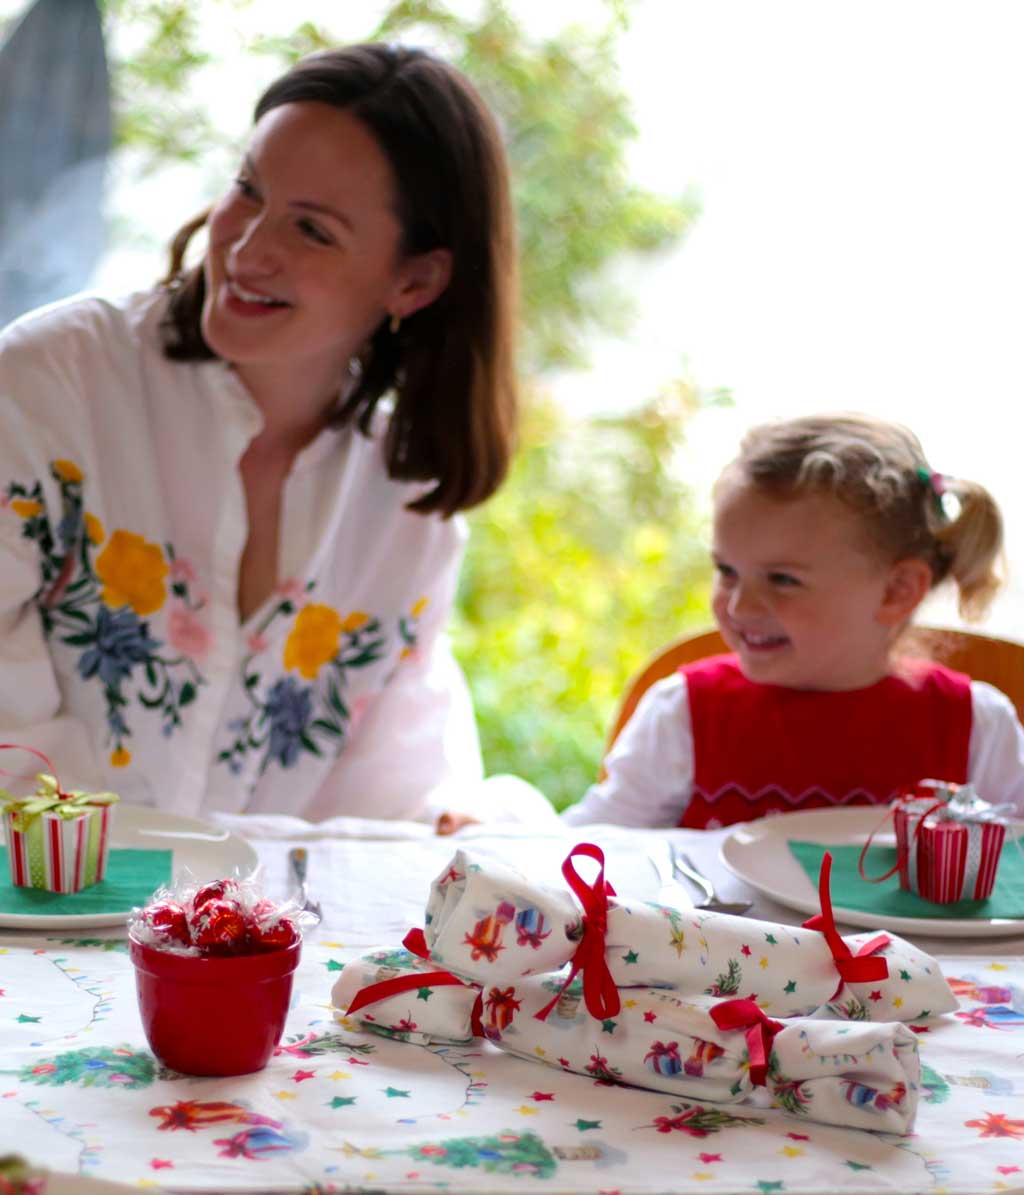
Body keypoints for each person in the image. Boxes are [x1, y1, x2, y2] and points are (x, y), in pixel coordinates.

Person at [0, 43, 524, 825]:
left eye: (312, 230)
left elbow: (388, 811)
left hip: (262, 939)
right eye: (248, 189)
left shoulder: (408, 508)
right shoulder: (50, 384)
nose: (246, 249)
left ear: (414, 281)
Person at [563, 412, 1024, 827]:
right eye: (727, 571)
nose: (740, 607)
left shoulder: (979, 729)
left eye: (782, 579)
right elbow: (598, 848)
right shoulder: (682, 713)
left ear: (896, 591)